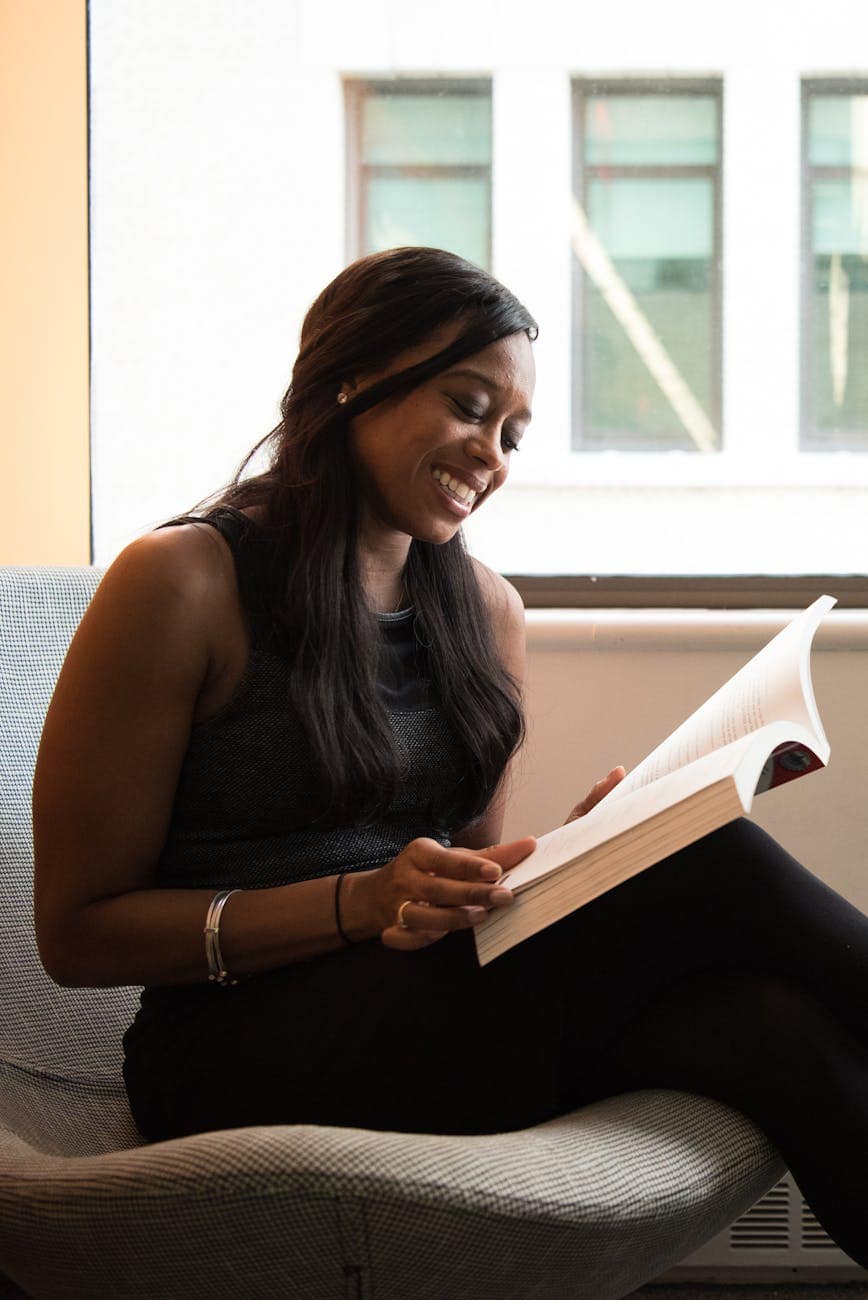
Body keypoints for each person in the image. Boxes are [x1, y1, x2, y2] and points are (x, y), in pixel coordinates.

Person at [32, 247, 867, 1266]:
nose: (495, 454)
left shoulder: (485, 613)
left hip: (417, 1013)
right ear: (351, 378)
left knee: (766, 1028)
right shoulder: (184, 581)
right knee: (711, 870)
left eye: (512, 433)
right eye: (469, 405)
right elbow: (77, 935)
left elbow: (461, 888)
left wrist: (584, 854)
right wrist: (358, 900)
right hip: (226, 1053)